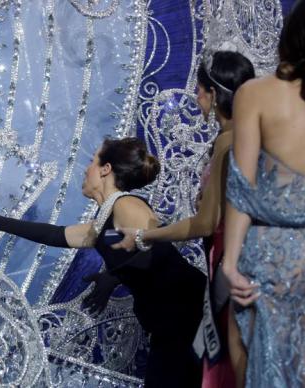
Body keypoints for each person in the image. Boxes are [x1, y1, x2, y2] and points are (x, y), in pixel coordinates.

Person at [0, 137, 206, 387]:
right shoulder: (103, 222)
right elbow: (56, 235)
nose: (86, 169)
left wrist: (113, 276)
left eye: (92, 162)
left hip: (187, 313)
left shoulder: (126, 204)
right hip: (167, 323)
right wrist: (0, 222)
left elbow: (156, 251)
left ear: (106, 170)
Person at [113, 51, 255, 388]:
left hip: (228, 258)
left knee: (231, 360)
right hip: (233, 255)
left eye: (200, 90)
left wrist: (148, 235)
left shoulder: (228, 143)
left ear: (214, 95)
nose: (196, 97)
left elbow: (204, 224)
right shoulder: (241, 138)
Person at [220, 1, 305, 386]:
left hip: (267, 254)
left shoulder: (255, 93)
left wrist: (230, 261)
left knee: (252, 367)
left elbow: (242, 189)